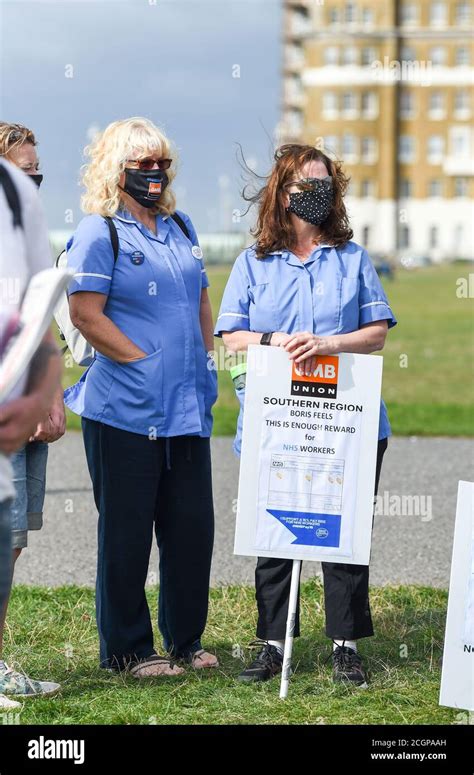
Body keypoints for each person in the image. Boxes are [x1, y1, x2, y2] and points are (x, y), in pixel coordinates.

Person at [215, 143, 397, 686]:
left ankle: (345, 645)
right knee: (275, 532)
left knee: (344, 534)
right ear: (281, 193)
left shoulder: (352, 258)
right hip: (277, 424)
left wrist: (328, 344)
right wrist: (274, 339)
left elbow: (377, 333)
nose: (314, 194)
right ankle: (273, 642)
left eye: (324, 185)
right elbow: (231, 335)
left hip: (347, 423)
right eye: (303, 186)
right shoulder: (254, 261)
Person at [64, 117, 218, 678]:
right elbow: (85, 313)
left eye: (161, 163)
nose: (154, 173)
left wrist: (204, 361)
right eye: (142, 164)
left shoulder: (182, 226)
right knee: (127, 534)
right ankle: (128, 650)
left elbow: (202, 300)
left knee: (191, 529)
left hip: (186, 409)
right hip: (123, 411)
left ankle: (184, 640)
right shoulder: (98, 231)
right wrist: (141, 361)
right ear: (116, 168)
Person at [0, 124, 65, 701]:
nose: (34, 183)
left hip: (28, 411)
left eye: (37, 172)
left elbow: (43, 319)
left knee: (12, 539)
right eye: (24, 171)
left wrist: (54, 395)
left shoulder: (28, 234)